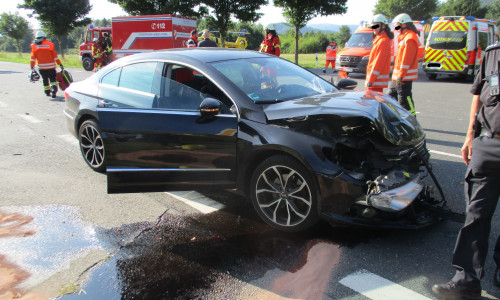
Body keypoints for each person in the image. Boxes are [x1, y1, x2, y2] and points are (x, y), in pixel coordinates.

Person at [432, 43, 500, 300]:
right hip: (489, 143)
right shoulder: (493, 53)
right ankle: (466, 281)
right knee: (475, 216)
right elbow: (478, 94)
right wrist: (470, 135)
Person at [389, 13, 419, 115]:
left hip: (403, 77)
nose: (396, 28)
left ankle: (411, 119)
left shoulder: (409, 38)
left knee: (404, 100)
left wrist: (400, 76)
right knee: (391, 97)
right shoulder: (405, 38)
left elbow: (406, 60)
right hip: (399, 76)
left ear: (404, 25)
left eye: (397, 26)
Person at [30, 30, 63, 98]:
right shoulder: (50, 45)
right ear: (44, 37)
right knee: (53, 79)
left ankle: (47, 92)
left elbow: (33, 58)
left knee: (45, 79)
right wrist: (60, 64)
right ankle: (54, 89)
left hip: (42, 68)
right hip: (51, 67)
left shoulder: (35, 46)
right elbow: (55, 56)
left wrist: (32, 66)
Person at [365, 14, 393, 93]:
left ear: (383, 26)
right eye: (372, 26)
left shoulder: (383, 41)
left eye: (376, 26)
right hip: (375, 82)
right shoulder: (379, 40)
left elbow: (379, 62)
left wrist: (371, 79)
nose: (373, 29)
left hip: (375, 82)